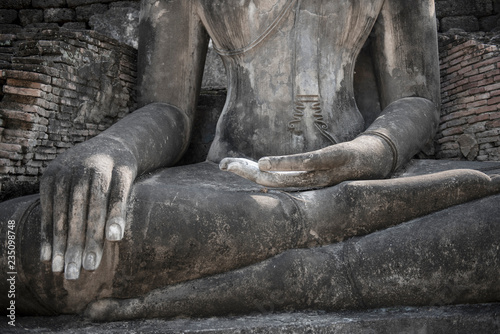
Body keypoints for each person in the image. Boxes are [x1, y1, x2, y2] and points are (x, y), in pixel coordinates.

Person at [1, 0, 499, 318]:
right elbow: (168, 108)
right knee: (43, 235)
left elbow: (416, 100)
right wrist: (113, 149)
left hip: (368, 177)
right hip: (229, 184)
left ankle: (290, 268)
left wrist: (371, 152)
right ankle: (330, 260)